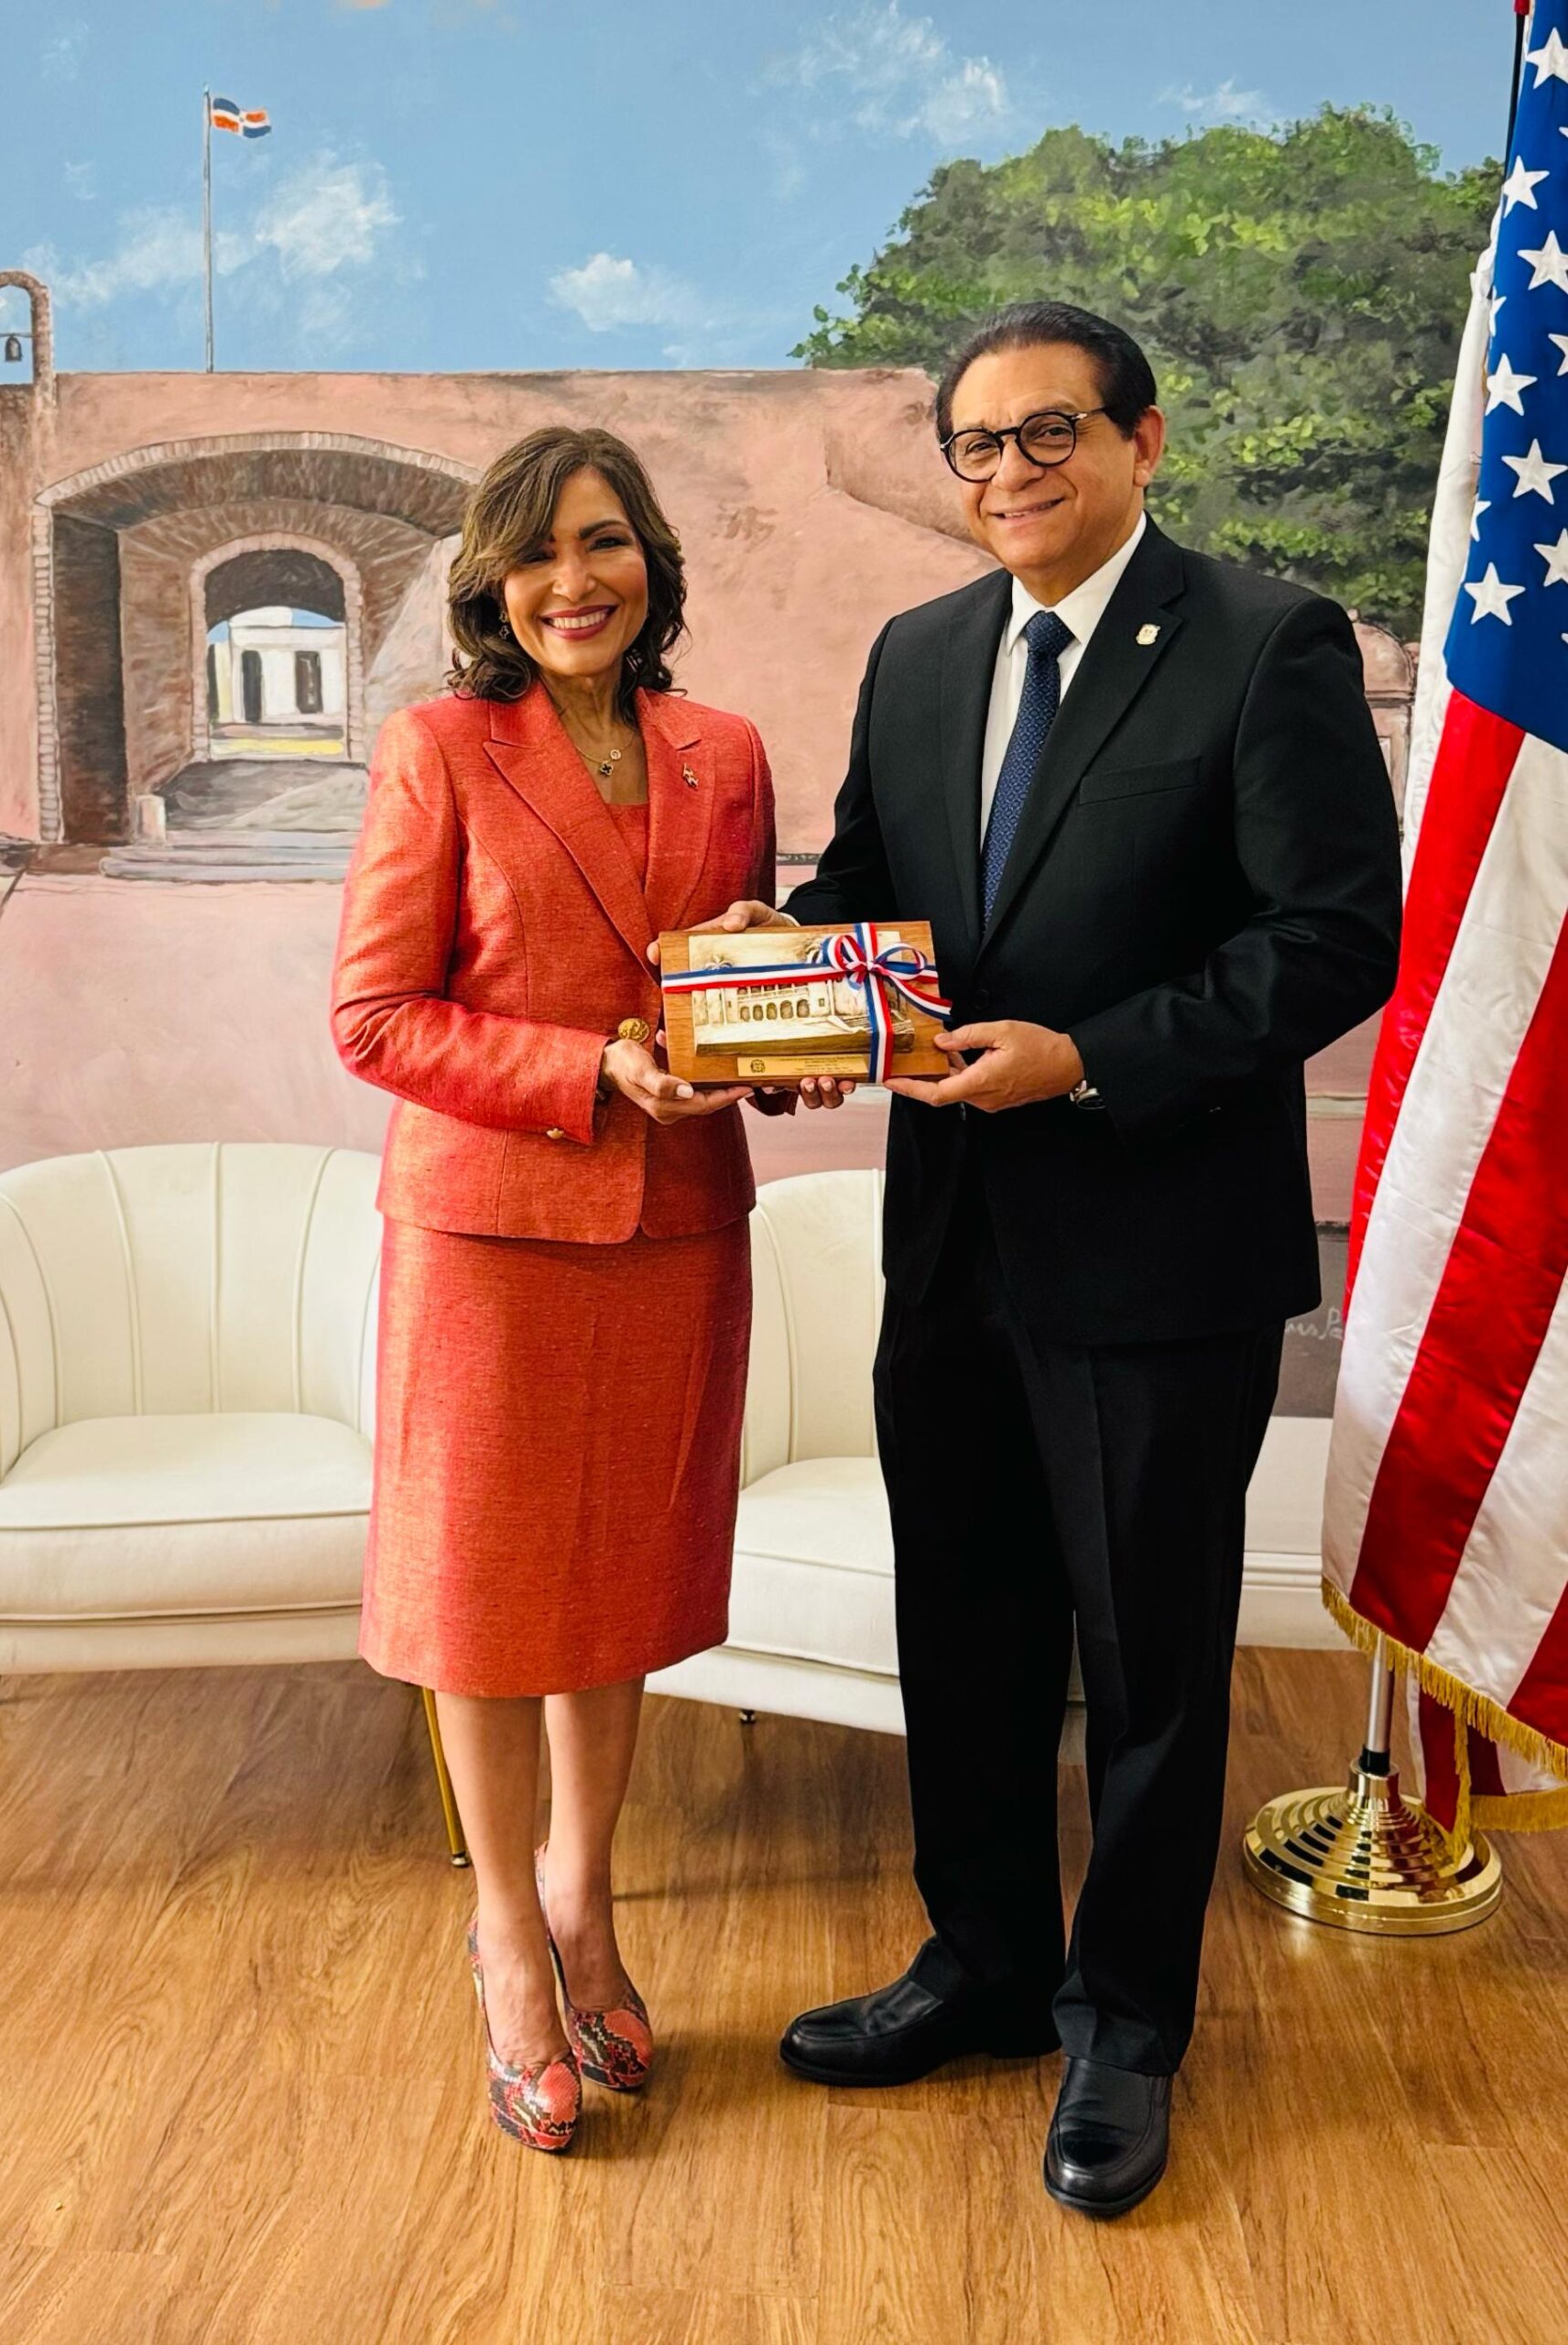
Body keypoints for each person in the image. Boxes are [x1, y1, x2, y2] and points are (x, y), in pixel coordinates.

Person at [719, 302, 1401, 2215]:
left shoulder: (1261, 642)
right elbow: (871, 892)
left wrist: (1089, 1059)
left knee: (1149, 1662)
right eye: (975, 442)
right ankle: (986, 1965)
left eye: (1048, 433)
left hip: (1157, 1252)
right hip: (949, 1234)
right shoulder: (921, 652)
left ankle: (1127, 2025)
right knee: (967, 1626)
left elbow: (1333, 937)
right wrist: (780, 983)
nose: (1007, 471)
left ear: (1141, 441)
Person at [331, 426, 782, 2155]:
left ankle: (590, 1901)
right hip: (492, 1241)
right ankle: (506, 1932)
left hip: (679, 1227)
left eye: (602, 543)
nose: (572, 582)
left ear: (650, 559)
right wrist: (589, 1069)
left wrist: (781, 1038)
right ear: (489, 586)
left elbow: (727, 981)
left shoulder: (725, 750)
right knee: (485, 1594)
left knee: (624, 1579)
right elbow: (374, 1018)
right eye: (533, 553)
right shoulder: (438, 749)